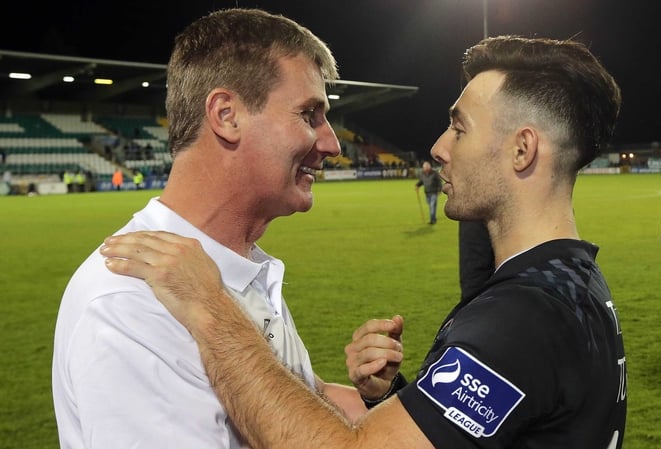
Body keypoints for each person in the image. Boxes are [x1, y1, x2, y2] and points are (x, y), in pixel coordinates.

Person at [101, 35, 628, 448]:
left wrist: (212, 309)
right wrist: (394, 399)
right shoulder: (570, 283)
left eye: (460, 128)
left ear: (522, 149)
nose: (439, 147)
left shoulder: (523, 317)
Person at [52, 8, 366, 449]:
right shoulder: (129, 302)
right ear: (227, 115)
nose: (332, 144)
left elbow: (308, 401)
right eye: (309, 115)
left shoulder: (234, 267)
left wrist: (386, 398)